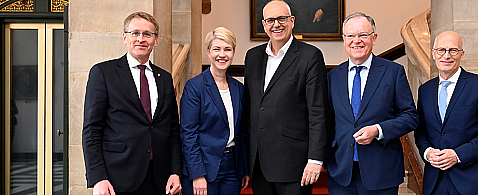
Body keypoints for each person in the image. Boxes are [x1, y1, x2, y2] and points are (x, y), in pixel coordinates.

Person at [82, 11, 182, 195]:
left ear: (156, 40)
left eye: (147, 34)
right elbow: (91, 130)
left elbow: (173, 130)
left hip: (159, 179)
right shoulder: (104, 73)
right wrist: (98, 178)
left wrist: (176, 171)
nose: (141, 39)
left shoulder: (165, 78)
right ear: (125, 37)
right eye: (135, 33)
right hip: (117, 178)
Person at [325, 12, 418, 195]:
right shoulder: (332, 76)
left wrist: (378, 130)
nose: (356, 40)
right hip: (341, 173)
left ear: (374, 38)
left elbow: (411, 117)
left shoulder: (393, 72)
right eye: (350, 35)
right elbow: (326, 121)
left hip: (381, 172)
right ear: (344, 39)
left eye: (363, 35)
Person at [243, 0, 328, 194]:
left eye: (281, 19)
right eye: (270, 20)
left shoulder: (310, 56)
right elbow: (250, 107)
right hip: (258, 163)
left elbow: (318, 112)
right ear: (264, 25)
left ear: (292, 21)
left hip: (294, 164)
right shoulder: (252, 57)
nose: (276, 24)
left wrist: (315, 160)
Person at [414, 31, 478, 195]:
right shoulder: (425, 90)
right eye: (441, 50)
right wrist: (427, 152)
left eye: (453, 50)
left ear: (462, 54)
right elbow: (421, 131)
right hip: (434, 183)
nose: (446, 56)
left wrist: (458, 155)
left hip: (471, 183)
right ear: (434, 54)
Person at [180, 27, 250, 195]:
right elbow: (188, 133)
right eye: (216, 49)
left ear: (233, 52)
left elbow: (242, 132)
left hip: (233, 168)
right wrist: (197, 174)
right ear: (208, 51)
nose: (222, 54)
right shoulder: (195, 86)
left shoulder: (238, 88)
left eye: (227, 49)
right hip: (204, 166)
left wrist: (244, 168)